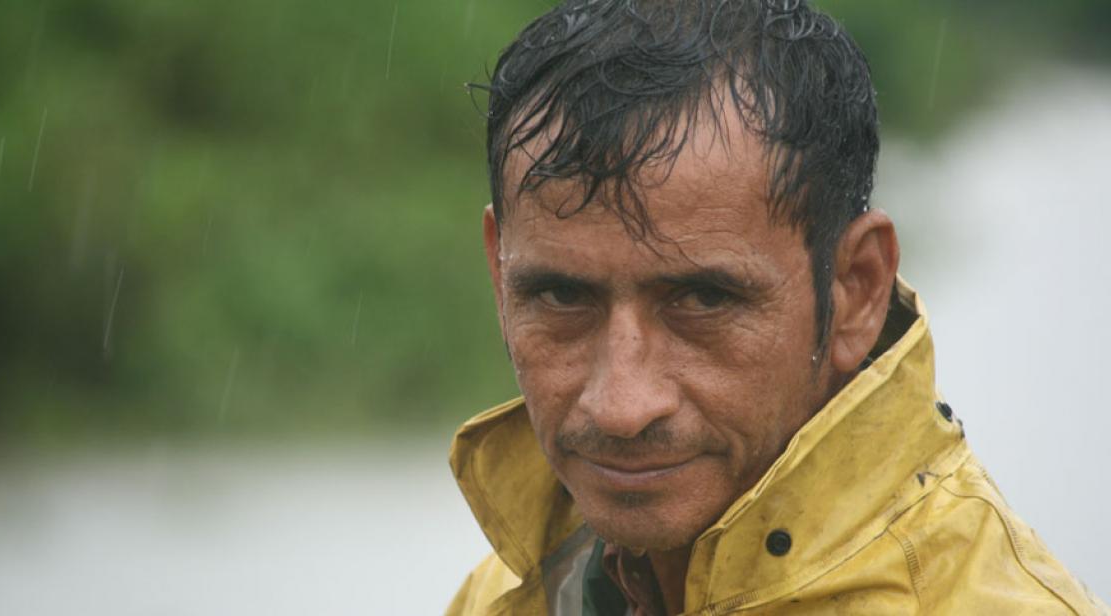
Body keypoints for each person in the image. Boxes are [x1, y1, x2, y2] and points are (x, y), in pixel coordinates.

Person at [446, 1, 1108, 614]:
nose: (621, 406)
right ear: (497, 270)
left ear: (856, 290)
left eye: (703, 299)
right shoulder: (515, 590)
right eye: (562, 296)